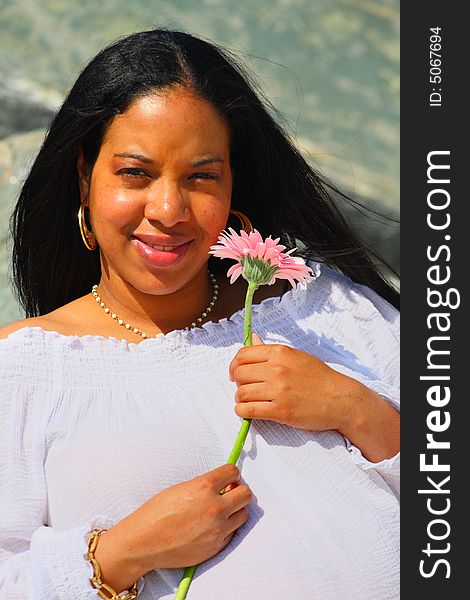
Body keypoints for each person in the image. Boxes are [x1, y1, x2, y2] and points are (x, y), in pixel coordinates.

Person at [0, 28, 400, 599]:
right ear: (85, 178)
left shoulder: (323, 307)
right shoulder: (26, 370)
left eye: (201, 176)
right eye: (135, 173)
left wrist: (362, 412)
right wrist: (123, 552)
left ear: (234, 184)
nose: (168, 209)